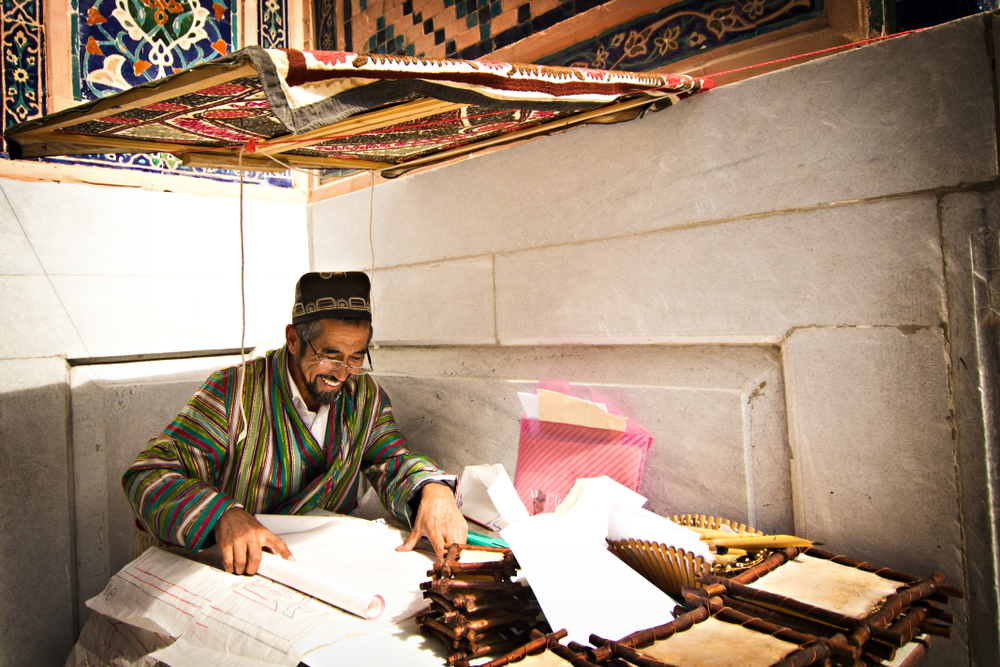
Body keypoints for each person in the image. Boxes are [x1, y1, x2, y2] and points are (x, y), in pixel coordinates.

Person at [123, 271, 466, 575]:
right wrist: (222, 515)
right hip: (239, 568)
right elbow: (149, 473)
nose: (343, 373)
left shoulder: (364, 397)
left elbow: (392, 460)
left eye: (356, 357)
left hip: (323, 567)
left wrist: (432, 489)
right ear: (293, 340)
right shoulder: (234, 392)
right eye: (330, 355)